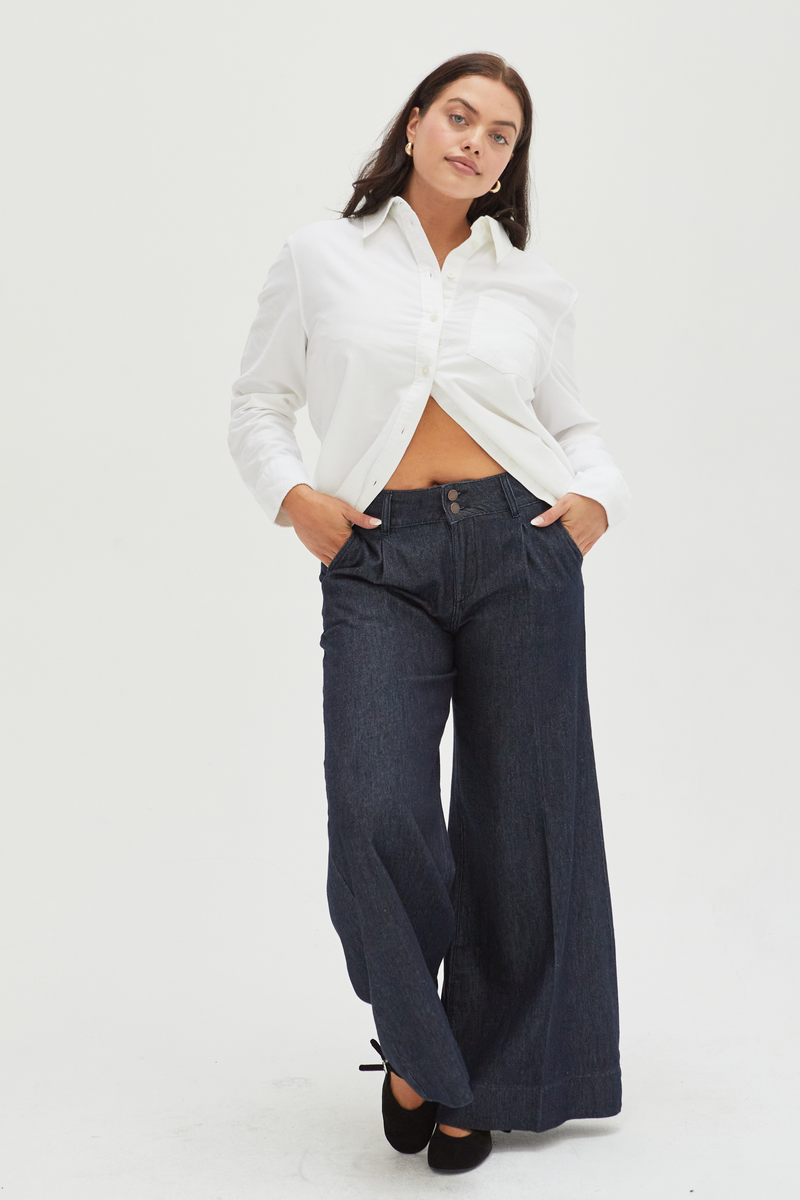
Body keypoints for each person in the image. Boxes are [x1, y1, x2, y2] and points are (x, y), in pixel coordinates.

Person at [228, 51, 630, 1175]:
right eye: (460, 117)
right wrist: (290, 496)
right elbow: (258, 400)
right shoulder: (321, 259)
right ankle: (422, 1053)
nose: (476, 142)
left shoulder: (531, 288)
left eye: (500, 135)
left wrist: (593, 501)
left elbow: (573, 422)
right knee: (374, 806)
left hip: (520, 550)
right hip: (377, 558)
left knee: (522, 826)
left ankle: (488, 1077)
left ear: (510, 164)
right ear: (413, 124)